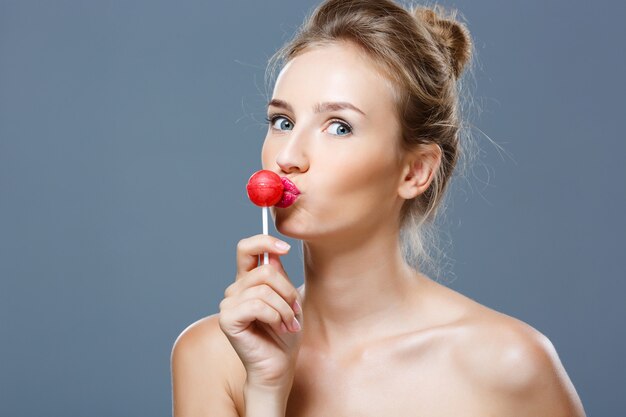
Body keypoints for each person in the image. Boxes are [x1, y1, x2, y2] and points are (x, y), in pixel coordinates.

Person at [171, 0, 587, 416]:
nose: (288, 157)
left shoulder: (508, 364)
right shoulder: (212, 356)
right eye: (282, 122)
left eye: (339, 127)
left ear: (415, 171)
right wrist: (265, 389)